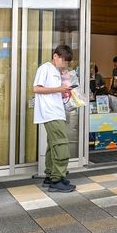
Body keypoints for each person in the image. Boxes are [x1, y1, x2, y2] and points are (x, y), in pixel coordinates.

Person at [33, 44, 76, 193]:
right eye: (63, 60)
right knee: (61, 143)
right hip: (50, 112)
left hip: (56, 111)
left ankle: (51, 176)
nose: (65, 64)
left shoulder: (57, 71)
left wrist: (64, 92)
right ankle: (57, 179)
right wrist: (59, 89)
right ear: (55, 56)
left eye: (67, 62)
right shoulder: (45, 68)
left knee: (53, 144)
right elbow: (36, 88)